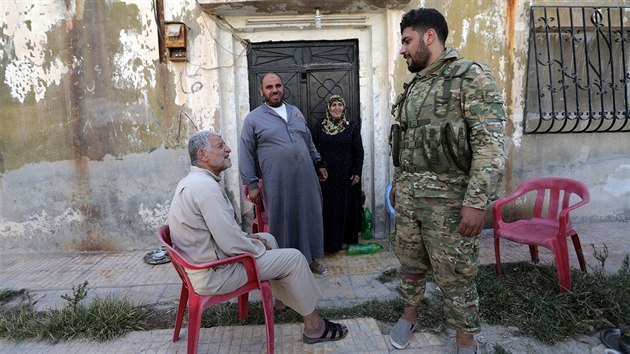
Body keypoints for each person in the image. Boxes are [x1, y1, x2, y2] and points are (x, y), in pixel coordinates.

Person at [389, 8, 506, 353]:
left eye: (407, 41)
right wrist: (399, 183)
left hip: (450, 203)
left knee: (456, 274)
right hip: (410, 199)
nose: (403, 49)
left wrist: (476, 202)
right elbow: (405, 143)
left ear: (429, 37)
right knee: (409, 264)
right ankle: (409, 316)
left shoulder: (469, 77)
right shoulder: (414, 87)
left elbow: (490, 146)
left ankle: (464, 339)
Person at [168, 130, 348, 344]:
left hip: (204, 264)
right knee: (294, 258)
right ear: (203, 155)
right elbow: (230, 242)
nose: (228, 150)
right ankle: (314, 326)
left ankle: (284, 299)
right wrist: (256, 247)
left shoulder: (195, 181)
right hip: (213, 274)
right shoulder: (205, 189)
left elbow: (224, 234)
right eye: (220, 146)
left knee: (269, 239)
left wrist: (254, 241)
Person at [239, 72, 329, 275]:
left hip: (306, 178)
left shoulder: (295, 112)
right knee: (282, 220)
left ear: (283, 88)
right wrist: (251, 184)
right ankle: (284, 266)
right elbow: (246, 151)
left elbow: (308, 141)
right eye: (269, 87)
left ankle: (311, 259)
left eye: (278, 85)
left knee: (310, 216)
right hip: (277, 182)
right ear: (261, 91)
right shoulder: (253, 118)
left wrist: (319, 162)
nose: (275, 90)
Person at [311, 95, 364, 252]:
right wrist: (318, 165)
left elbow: (359, 152)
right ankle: (329, 244)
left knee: (345, 209)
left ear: (344, 107)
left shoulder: (351, 127)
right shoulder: (320, 126)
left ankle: (344, 240)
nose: (336, 108)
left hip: (346, 176)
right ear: (328, 108)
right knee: (328, 210)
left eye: (340, 104)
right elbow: (312, 147)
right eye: (333, 105)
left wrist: (357, 172)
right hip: (325, 176)